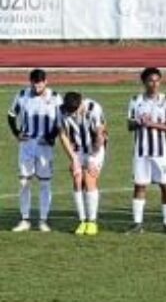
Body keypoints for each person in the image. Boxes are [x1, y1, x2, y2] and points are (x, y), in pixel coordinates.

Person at [8, 68, 62, 232]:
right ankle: (25, 219)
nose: (37, 86)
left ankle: (43, 220)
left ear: (46, 82)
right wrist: (17, 133)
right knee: (24, 181)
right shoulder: (22, 95)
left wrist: (51, 136)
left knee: (45, 182)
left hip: (45, 146)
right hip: (27, 144)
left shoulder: (55, 97)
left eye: (40, 83)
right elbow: (11, 115)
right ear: (30, 82)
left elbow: (61, 122)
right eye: (34, 83)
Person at [127, 66, 166, 233]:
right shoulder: (135, 101)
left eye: (157, 81)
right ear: (144, 82)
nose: (154, 84)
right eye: (150, 81)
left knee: (165, 186)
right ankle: (137, 224)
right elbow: (130, 124)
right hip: (141, 152)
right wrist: (139, 122)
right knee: (140, 186)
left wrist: (151, 124)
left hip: (161, 153)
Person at [57, 91, 107, 236]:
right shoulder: (61, 111)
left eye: (74, 110)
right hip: (77, 149)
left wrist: (92, 158)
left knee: (89, 178)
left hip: (95, 148)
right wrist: (73, 159)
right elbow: (63, 136)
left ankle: (92, 222)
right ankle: (82, 220)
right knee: (77, 177)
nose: (71, 114)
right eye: (69, 111)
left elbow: (100, 135)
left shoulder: (94, 108)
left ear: (81, 104)